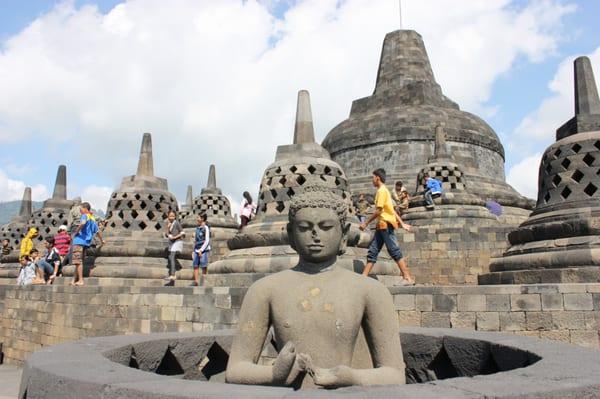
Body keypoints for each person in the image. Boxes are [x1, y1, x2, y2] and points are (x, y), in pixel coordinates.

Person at [226, 186, 405, 389]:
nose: (315, 235)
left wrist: (352, 377)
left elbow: (395, 375)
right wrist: (273, 374)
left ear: (344, 234)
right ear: (291, 234)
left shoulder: (371, 291)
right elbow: (236, 369)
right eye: (304, 227)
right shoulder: (264, 290)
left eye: (326, 227)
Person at [360, 169, 415, 285]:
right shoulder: (385, 191)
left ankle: (407, 277)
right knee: (373, 251)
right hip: (381, 226)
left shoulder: (381, 191)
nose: (372, 180)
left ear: (377, 178)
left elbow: (379, 211)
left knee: (393, 250)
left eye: (373, 177)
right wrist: (402, 223)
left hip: (385, 225)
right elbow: (392, 210)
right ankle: (363, 278)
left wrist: (366, 223)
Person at [71, 202, 103, 286]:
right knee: (78, 261)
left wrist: (76, 232)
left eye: (80, 209)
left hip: (79, 240)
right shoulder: (92, 218)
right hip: (86, 242)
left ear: (85, 208)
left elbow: (82, 223)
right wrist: (102, 241)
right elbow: (97, 231)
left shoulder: (84, 215)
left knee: (78, 261)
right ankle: (74, 280)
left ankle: (80, 280)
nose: (80, 211)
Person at [164, 210, 185, 286]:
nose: (171, 217)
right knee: (170, 256)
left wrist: (175, 237)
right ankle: (173, 272)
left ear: (175, 216)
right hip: (172, 243)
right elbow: (167, 234)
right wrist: (168, 228)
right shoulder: (169, 224)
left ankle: (173, 275)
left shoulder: (176, 223)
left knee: (172, 256)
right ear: (168, 216)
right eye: (170, 216)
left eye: (173, 216)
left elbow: (182, 233)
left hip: (177, 241)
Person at [192, 213, 211, 286]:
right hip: (196, 249)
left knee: (203, 265)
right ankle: (196, 281)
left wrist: (201, 250)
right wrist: (194, 251)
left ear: (202, 219)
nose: (197, 219)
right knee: (195, 265)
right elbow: (196, 241)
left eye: (198, 217)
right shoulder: (197, 228)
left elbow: (207, 241)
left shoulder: (206, 228)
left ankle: (203, 281)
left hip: (204, 250)